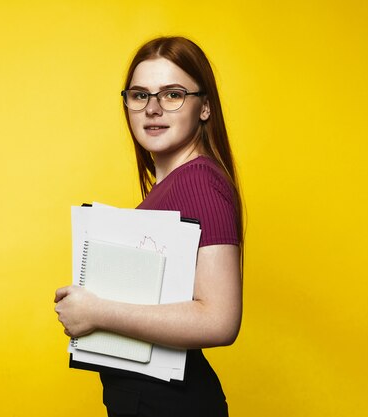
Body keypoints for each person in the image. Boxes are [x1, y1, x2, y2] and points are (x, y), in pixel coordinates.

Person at [54, 36, 243, 417]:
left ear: (204, 107)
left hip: (170, 405)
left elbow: (220, 319)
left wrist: (97, 313)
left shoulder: (199, 181)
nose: (153, 109)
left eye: (172, 95)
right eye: (140, 95)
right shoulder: (175, 185)